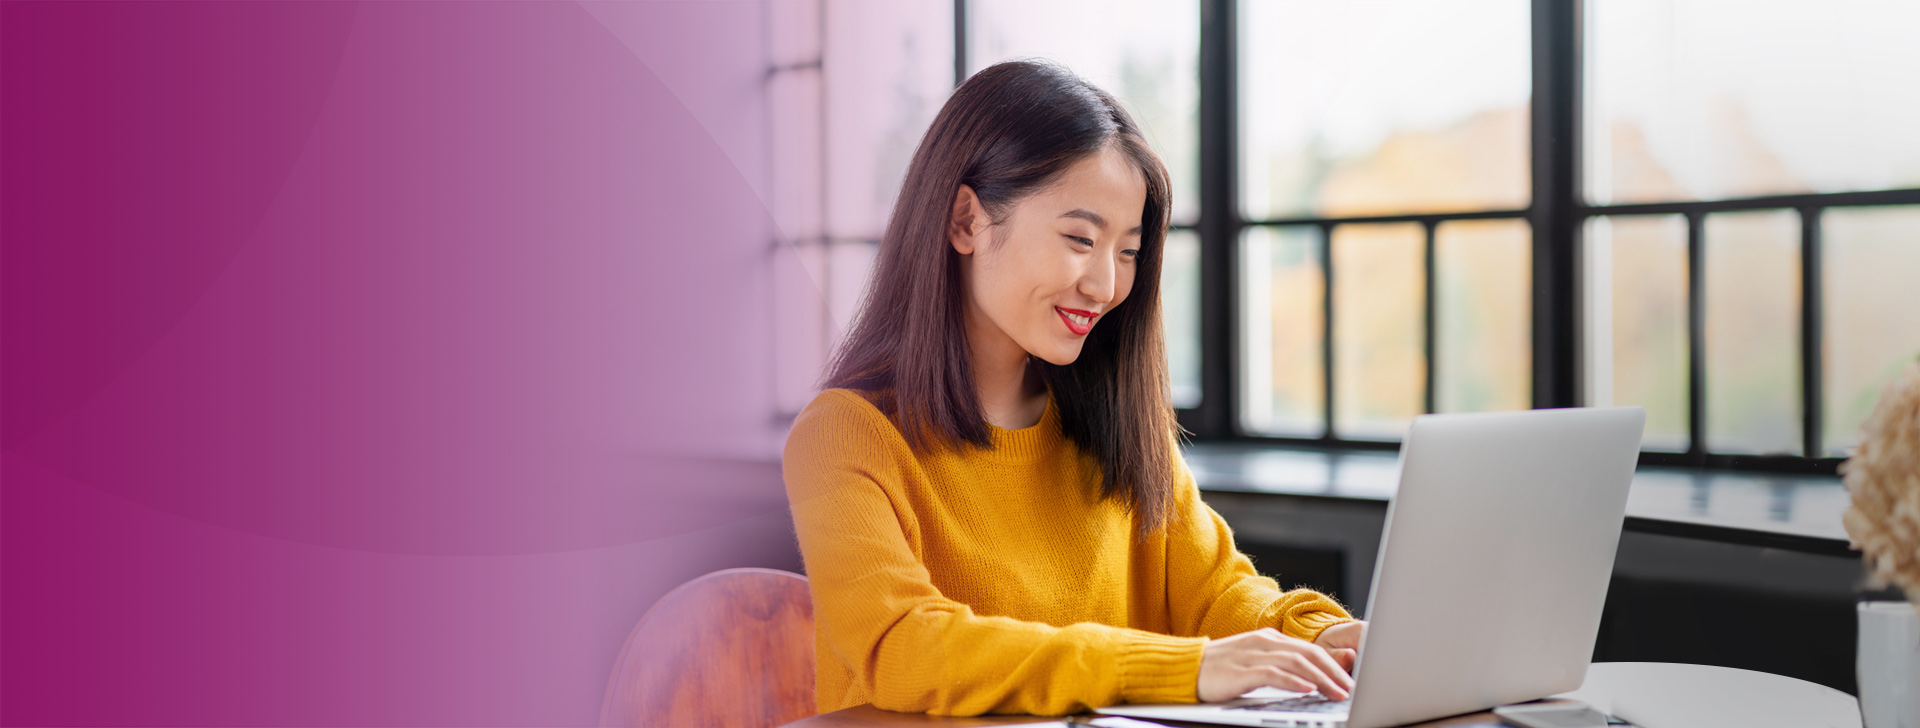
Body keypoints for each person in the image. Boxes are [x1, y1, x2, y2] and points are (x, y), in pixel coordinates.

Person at [782, 59, 1367, 717]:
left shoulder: (1111, 423)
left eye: (1127, 251)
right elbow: (904, 647)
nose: (1106, 285)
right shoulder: (843, 434)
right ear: (966, 222)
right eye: (1079, 239)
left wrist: (1324, 640)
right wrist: (1173, 667)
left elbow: (1220, 596)